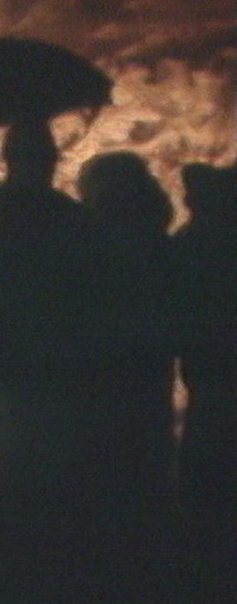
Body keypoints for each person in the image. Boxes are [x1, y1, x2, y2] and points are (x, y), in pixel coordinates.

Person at [0, 122, 102, 600]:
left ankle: (8, 560)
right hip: (56, 358)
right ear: (50, 159)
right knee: (53, 461)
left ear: (5, 158)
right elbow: (85, 291)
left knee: (3, 460)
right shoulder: (70, 214)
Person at [76, 151, 177, 596]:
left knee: (104, 484)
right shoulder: (161, 245)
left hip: (99, 383)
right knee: (146, 476)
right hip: (149, 378)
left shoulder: (87, 246)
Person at [172, 162, 237, 598]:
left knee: (207, 496)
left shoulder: (189, 245)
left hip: (211, 390)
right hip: (213, 385)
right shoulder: (197, 243)